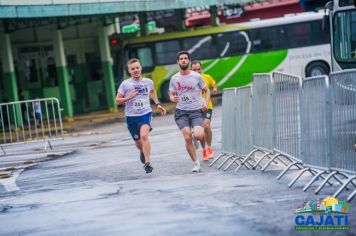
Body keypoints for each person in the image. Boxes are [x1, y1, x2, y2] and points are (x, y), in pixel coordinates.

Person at [115, 58, 166, 174]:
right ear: (129, 71)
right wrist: (129, 97)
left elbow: (152, 91)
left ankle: (147, 163)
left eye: (137, 68)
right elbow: (117, 100)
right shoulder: (125, 84)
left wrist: (157, 104)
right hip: (131, 117)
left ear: (141, 68)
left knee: (144, 136)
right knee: (138, 143)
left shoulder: (148, 81)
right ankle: (142, 152)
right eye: (133, 69)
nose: (136, 70)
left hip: (145, 113)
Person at [169, 51, 211, 172]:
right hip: (181, 112)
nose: (183, 60)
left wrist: (206, 103)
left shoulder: (196, 76)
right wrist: (173, 98)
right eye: (181, 59)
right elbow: (171, 93)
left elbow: (206, 90)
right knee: (187, 137)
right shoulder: (174, 78)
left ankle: (194, 136)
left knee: (198, 136)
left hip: (196, 111)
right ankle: (196, 163)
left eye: (185, 58)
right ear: (178, 62)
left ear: (189, 61)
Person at [191, 60, 218, 161]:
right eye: (194, 70)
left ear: (201, 68)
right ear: (191, 70)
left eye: (199, 69)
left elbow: (213, 84)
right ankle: (204, 150)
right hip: (195, 108)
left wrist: (214, 88)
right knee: (200, 131)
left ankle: (209, 148)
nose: (197, 72)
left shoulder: (207, 77)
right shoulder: (188, 80)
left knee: (206, 126)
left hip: (207, 106)